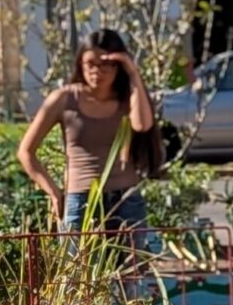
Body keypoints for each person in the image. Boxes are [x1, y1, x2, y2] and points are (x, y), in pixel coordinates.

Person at [17, 27, 157, 241]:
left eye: (106, 65)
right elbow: (26, 152)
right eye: (90, 64)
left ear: (118, 67)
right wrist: (54, 192)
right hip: (81, 201)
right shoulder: (64, 99)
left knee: (131, 274)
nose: (96, 72)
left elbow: (143, 125)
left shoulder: (128, 98)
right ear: (80, 63)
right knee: (78, 273)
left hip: (126, 200)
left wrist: (133, 73)